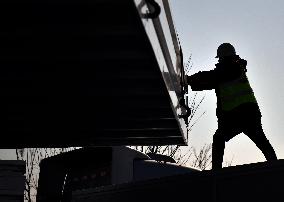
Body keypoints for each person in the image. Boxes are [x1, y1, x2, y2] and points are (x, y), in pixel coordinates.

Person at [186, 43, 277, 170]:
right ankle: (275, 165)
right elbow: (211, 82)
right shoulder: (233, 69)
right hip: (248, 114)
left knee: (220, 138)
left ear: (222, 58)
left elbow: (213, 77)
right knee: (260, 140)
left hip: (238, 115)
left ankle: (216, 171)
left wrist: (190, 79)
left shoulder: (232, 68)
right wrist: (191, 83)